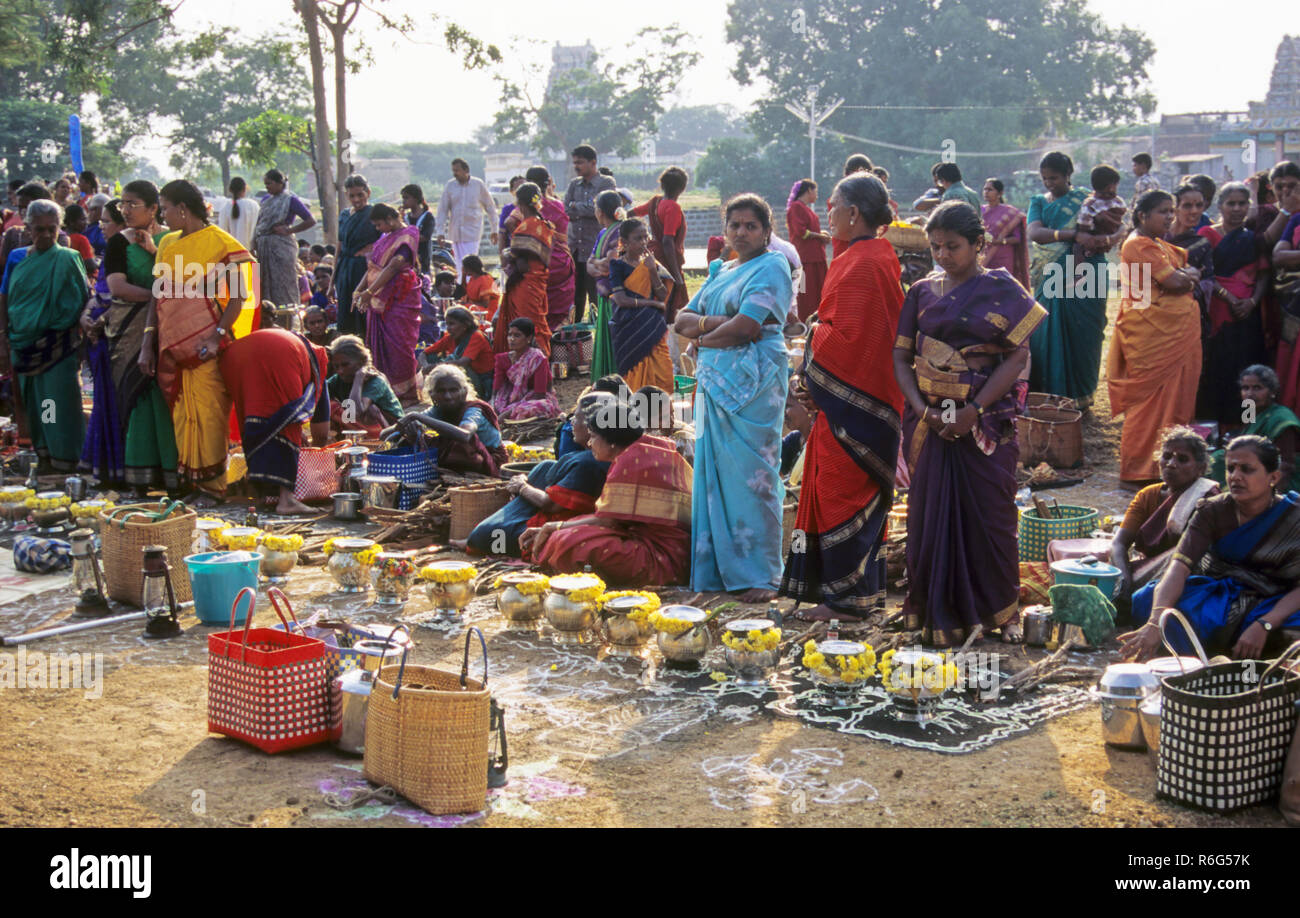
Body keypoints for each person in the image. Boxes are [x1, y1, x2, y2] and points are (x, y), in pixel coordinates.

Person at [892, 201, 1046, 644]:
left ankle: (1002, 611)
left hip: (985, 421)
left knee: (991, 515)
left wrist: (973, 410)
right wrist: (924, 410)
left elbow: (1017, 356)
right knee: (929, 515)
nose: (942, 255)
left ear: (979, 244)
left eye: (952, 247)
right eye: (936, 246)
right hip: (928, 421)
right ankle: (936, 613)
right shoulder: (920, 291)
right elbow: (901, 355)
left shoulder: (1002, 288)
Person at [778, 175, 907, 621]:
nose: (826, 214)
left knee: (840, 490)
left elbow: (852, 340)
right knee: (840, 488)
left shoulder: (863, 263)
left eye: (832, 207)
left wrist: (812, 336)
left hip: (857, 405)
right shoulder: (872, 256)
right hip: (864, 401)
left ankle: (847, 602)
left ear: (854, 214)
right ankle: (851, 595)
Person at [674, 193, 792, 603]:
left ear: (766, 232)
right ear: (725, 230)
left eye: (751, 225)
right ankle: (718, 570)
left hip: (754, 385)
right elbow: (681, 319)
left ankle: (761, 573)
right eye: (735, 225)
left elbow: (748, 327)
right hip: (712, 383)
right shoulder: (720, 270)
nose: (741, 232)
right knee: (713, 475)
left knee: (754, 476)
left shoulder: (773, 265)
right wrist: (716, 327)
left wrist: (703, 337)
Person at [1120, 436, 1300, 660]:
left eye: (1247, 469)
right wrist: (1156, 622)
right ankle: (1227, 649)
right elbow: (1178, 568)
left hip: (1273, 599)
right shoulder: (1211, 511)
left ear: (1273, 477)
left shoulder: (1294, 518)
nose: (1235, 477)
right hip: (1218, 597)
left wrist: (1265, 625)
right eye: (1230, 468)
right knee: (1147, 601)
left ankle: (1247, 646)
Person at [145, 180, 257, 506]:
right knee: (183, 415)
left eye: (165, 208)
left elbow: (239, 298)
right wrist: (148, 341)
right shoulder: (166, 243)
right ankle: (192, 485)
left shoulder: (224, 245)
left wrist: (214, 336)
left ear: (182, 208)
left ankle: (213, 487)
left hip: (207, 345)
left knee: (209, 415)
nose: (162, 215)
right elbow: (159, 295)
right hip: (173, 345)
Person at [522, 393, 693, 586]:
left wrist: (553, 527)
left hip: (664, 557)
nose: (589, 443)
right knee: (573, 527)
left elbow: (608, 520)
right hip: (669, 546)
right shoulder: (645, 448)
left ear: (611, 441)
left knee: (571, 543)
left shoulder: (629, 461)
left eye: (594, 437)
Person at [83, 185, 178, 491]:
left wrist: (154, 253)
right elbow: (118, 287)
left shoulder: (170, 240)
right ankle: (138, 476)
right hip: (128, 332)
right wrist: (159, 294)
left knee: (166, 399)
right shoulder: (119, 244)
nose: (125, 210)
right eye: (123, 204)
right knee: (135, 397)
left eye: (133, 204)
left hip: (169, 330)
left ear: (153, 209)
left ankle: (173, 475)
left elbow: (182, 279)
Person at [1108, 190, 1204, 485]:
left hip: (1174, 334)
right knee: (1147, 404)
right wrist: (1187, 276)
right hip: (1151, 336)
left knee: (1176, 401)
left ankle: (1169, 465)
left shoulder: (1158, 245)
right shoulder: (1138, 244)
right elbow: (1175, 281)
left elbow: (1182, 275)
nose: (1170, 217)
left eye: (1171, 211)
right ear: (1142, 216)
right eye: (1164, 211)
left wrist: (1185, 275)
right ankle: (1139, 467)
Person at [459, 391, 612, 556]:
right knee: (546, 466)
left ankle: (480, 540)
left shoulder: (588, 463)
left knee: (486, 535)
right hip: (559, 517)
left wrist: (522, 487)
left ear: (591, 424)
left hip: (564, 525)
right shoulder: (590, 455)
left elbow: (551, 505)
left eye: (576, 418)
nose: (571, 422)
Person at [0, 200, 88, 472]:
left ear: (60, 228)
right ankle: (45, 454)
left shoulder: (68, 258)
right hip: (23, 344)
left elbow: (82, 300)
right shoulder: (17, 258)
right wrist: (4, 336)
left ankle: (64, 457)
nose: (46, 236)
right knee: (36, 402)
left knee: (54, 401)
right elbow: (5, 296)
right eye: (40, 230)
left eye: (52, 229)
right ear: (27, 229)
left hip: (56, 346)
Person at [219, 327, 331, 514]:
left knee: (254, 420)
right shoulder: (318, 366)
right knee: (288, 423)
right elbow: (321, 431)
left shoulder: (301, 347)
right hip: (280, 355)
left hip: (234, 356)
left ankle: (262, 495)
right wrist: (311, 454)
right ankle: (286, 500)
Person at [1027, 151, 1108, 407]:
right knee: (1045, 331)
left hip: (1086, 272)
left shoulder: (1088, 200)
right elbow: (1035, 232)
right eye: (1045, 178)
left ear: (1068, 175)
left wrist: (1087, 241)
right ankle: (1051, 394)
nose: (1049, 183)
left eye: (1055, 178)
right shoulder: (1039, 201)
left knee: (1085, 332)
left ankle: (1081, 395)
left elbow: (1105, 231)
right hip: (1051, 274)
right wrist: (1072, 234)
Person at [1109, 427, 1219, 600]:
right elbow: (1119, 543)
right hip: (1148, 568)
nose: (1171, 463)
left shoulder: (1207, 497)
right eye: (1167, 456)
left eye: (1182, 459)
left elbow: (1197, 553)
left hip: (1187, 573)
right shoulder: (1148, 495)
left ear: (1201, 468)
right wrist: (1124, 581)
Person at [1195, 183, 1270, 425]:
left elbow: (1263, 274)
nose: (1237, 209)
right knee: (1218, 367)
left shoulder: (1251, 238)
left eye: (1242, 203)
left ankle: (1246, 424)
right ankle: (1215, 427)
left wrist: (1251, 302)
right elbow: (1204, 274)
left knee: (1246, 368)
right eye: (1231, 203)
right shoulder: (1207, 234)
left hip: (1247, 315)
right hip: (1217, 312)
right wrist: (1229, 297)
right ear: (1220, 206)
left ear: (1249, 206)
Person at [355, 203, 423, 408]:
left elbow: (394, 266)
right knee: (381, 343)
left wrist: (368, 291)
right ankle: (387, 391)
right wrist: (359, 290)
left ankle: (406, 393)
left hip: (399, 295)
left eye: (379, 224)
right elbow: (373, 267)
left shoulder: (408, 234)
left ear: (391, 219)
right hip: (379, 296)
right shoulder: (384, 238)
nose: (378, 229)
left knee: (399, 343)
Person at [391, 364, 507, 475]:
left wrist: (417, 417)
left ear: (464, 392)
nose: (448, 396)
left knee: (461, 443)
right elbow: (385, 435)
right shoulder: (438, 409)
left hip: (491, 463)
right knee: (409, 438)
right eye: (441, 391)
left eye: (453, 390)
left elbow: (464, 435)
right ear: (432, 395)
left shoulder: (474, 410)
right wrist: (406, 428)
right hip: (467, 460)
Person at [606, 218, 675, 394]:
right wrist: (651, 303)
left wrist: (652, 271)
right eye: (638, 238)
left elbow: (662, 294)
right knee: (634, 375)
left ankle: (661, 413)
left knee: (664, 373)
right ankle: (637, 414)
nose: (644, 242)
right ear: (624, 243)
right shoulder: (617, 265)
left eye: (646, 237)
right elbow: (621, 299)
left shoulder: (651, 264)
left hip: (652, 327)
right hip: (630, 328)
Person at [1210, 366, 1299, 492]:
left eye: (1257, 388)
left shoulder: (1281, 419)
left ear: (1272, 391)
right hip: (1247, 468)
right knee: (1213, 459)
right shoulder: (1251, 410)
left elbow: (1285, 465)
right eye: (1245, 388)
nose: (1250, 394)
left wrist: (1273, 499)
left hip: (1276, 481)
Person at [494, 182, 554, 358]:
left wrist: (507, 255)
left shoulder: (527, 226)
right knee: (536, 324)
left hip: (525, 284)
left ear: (519, 204)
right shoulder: (544, 225)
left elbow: (521, 262)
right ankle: (539, 363)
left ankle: (532, 364)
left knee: (525, 326)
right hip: (537, 284)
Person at [564, 144, 617, 323]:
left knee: (597, 295)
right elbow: (566, 210)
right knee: (577, 297)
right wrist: (583, 207)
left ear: (593, 162)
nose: (576, 166)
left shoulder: (606, 183)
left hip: (596, 249)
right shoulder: (574, 184)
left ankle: (600, 333)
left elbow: (600, 209)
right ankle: (577, 336)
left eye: (580, 163)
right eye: (574, 163)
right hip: (576, 248)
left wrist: (576, 206)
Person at [631, 166, 689, 323]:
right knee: (671, 302)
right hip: (667, 260)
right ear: (682, 187)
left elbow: (631, 214)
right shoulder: (673, 207)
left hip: (652, 256)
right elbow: (668, 241)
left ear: (662, 185)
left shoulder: (655, 202)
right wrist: (676, 275)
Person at [252, 169, 316, 309]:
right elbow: (259, 223)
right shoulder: (265, 200)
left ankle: (287, 319)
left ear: (280, 183)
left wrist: (289, 230)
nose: (267, 187)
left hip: (282, 247)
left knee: (283, 283)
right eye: (265, 184)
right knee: (264, 284)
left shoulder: (291, 200)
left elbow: (311, 220)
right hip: (264, 247)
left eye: (269, 183)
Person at [1269, 163, 1300, 411]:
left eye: (1293, 186)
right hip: (1291, 305)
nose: (1287, 192)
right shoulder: (1294, 218)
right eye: (1281, 187)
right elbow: (1277, 256)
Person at [327, 335, 403, 437]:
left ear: (361, 362)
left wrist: (358, 380)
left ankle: (383, 443)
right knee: (328, 404)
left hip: (393, 429)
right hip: (361, 427)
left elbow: (354, 412)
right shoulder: (338, 379)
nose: (340, 371)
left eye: (345, 365)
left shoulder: (375, 381)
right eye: (336, 366)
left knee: (371, 410)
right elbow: (318, 393)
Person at [587, 189, 626, 381]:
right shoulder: (603, 233)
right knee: (606, 338)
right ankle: (606, 380)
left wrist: (597, 264)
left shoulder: (621, 231)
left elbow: (610, 265)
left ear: (600, 211)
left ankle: (617, 380)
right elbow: (591, 264)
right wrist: (597, 265)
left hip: (618, 296)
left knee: (616, 339)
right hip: (605, 294)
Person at [436, 157, 498, 275]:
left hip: (472, 233)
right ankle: (462, 290)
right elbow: (442, 210)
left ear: (466, 170)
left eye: (457, 170)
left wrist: (494, 229)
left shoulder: (478, 184)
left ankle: (470, 290)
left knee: (470, 266)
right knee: (458, 267)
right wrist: (440, 232)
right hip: (455, 234)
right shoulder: (450, 186)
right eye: (453, 170)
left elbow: (490, 208)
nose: (455, 174)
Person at [335, 174, 380, 336]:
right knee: (345, 312)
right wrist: (334, 276)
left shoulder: (375, 213)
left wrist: (370, 249)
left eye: (360, 194)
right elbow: (339, 246)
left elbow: (386, 240)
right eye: (352, 196)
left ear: (368, 192)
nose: (356, 199)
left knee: (362, 312)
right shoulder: (344, 215)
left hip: (364, 269)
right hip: (344, 269)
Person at [491, 317, 560, 420]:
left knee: (539, 407)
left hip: (535, 400)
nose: (512, 339)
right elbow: (497, 389)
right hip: (511, 399)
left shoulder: (537, 358)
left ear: (529, 338)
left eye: (517, 335)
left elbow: (540, 395)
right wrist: (493, 406)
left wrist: (508, 412)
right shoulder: (502, 359)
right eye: (509, 335)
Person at [1073, 164, 1128, 284]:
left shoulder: (1090, 203)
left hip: (1096, 236)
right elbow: (1122, 214)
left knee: (1077, 247)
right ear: (1111, 187)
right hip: (1113, 233)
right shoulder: (1118, 201)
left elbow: (1083, 223)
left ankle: (1078, 273)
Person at [785, 179, 831, 321]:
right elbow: (801, 232)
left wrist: (820, 234)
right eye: (815, 191)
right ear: (809, 190)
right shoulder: (796, 207)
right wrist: (820, 236)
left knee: (818, 293)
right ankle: (803, 324)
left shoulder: (804, 208)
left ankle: (816, 322)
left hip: (815, 258)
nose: (817, 195)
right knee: (804, 294)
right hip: (803, 260)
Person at [424, 305, 493, 397]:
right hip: (469, 377)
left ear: (465, 325)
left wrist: (434, 367)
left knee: (453, 362)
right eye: (447, 324)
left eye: (452, 324)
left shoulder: (476, 337)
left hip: (482, 380)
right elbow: (424, 353)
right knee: (431, 357)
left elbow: (462, 363)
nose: (448, 328)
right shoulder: (451, 337)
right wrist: (425, 366)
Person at [1, 183, 70, 266]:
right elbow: (4, 268)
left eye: (28, 207)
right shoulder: (12, 233)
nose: (23, 212)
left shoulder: (57, 237)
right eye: (20, 207)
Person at [980, 178, 1029, 290]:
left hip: (1003, 256)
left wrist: (1000, 241)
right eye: (985, 189)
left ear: (1000, 193)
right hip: (983, 256)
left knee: (1004, 288)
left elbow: (1017, 238)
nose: (986, 192)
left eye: (990, 189)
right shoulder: (980, 211)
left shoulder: (1010, 213)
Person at [401, 183, 436, 275]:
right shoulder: (405, 217)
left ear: (416, 199)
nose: (403, 201)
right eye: (403, 198)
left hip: (422, 260)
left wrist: (405, 237)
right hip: (407, 260)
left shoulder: (427, 217)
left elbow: (425, 236)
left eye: (406, 198)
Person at [216, 177, 259, 250]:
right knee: (250, 262)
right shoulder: (253, 205)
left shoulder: (225, 207)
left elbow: (223, 232)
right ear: (245, 189)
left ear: (230, 190)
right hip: (250, 253)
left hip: (232, 253)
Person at [61, 203, 97, 278]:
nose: (86, 222)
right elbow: (90, 265)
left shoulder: (61, 237)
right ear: (71, 222)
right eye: (83, 219)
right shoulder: (81, 239)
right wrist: (98, 263)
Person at [459, 255, 500, 320]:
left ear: (470, 268)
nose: (463, 268)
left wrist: (468, 304)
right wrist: (463, 275)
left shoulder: (484, 280)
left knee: (462, 309)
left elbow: (485, 304)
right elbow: (464, 290)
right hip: (475, 308)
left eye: (464, 267)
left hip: (486, 313)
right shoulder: (473, 278)